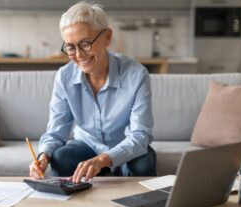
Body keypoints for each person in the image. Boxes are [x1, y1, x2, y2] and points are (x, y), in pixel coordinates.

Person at [29, 1, 156, 183]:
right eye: (71, 47)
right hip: (87, 145)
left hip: (126, 146)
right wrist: (43, 157)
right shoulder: (64, 77)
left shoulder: (136, 74)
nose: (79, 55)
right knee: (59, 157)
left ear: (107, 37)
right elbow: (56, 131)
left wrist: (102, 160)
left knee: (142, 165)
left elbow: (140, 135)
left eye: (85, 44)